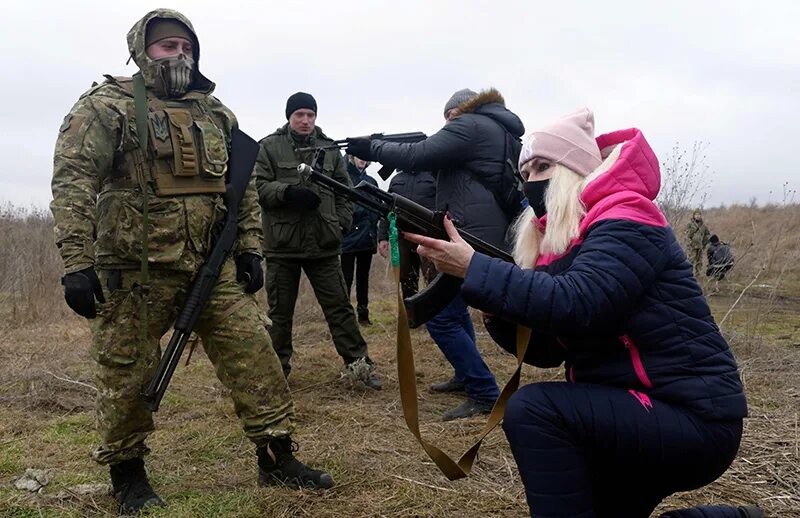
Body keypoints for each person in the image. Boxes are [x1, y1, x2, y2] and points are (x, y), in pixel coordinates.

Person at [403, 109, 761, 517]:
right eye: (526, 171)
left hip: (691, 416)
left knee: (533, 409)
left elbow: (579, 303)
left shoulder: (628, 217)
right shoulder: (562, 244)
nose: (531, 180)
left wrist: (478, 270)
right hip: (629, 411)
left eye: (543, 166)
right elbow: (548, 352)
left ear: (575, 170)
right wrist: (493, 308)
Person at [50, 10, 333, 514]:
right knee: (128, 374)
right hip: (135, 272)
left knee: (256, 356)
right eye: (167, 46)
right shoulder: (104, 107)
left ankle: (277, 457)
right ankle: (128, 474)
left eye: (186, 46)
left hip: (212, 267)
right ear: (143, 50)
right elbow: (73, 181)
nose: (179, 54)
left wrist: (249, 246)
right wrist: (77, 261)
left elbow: (241, 189)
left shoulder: (216, 113)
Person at [349, 88, 525, 420]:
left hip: (471, 234)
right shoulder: (495, 128)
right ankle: (466, 375)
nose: (446, 124)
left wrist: (371, 146)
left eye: (449, 117)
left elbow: (417, 155)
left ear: (462, 111)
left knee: (440, 318)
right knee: (453, 309)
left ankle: (484, 390)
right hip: (478, 230)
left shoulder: (472, 125)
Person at [254, 92, 381, 389]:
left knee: (339, 308)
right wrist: (286, 192)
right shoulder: (270, 147)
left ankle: (359, 366)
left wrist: (341, 224)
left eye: (310, 115)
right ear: (289, 116)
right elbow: (258, 186)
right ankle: (276, 372)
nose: (305, 120)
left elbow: (345, 193)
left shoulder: (330, 148)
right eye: (299, 114)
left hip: (323, 245)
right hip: (282, 246)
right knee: (279, 314)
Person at [376, 169, 438, 300]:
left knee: (432, 278)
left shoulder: (433, 176)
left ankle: (435, 319)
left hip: (428, 238)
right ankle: (411, 317)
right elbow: (387, 209)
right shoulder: (396, 180)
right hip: (402, 237)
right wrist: (383, 238)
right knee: (406, 279)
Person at [340, 155, 380, 325]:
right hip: (348, 238)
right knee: (346, 278)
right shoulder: (344, 179)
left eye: (365, 158)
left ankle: (363, 315)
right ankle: (345, 317)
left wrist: (373, 220)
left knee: (363, 278)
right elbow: (343, 207)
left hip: (367, 237)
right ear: (351, 158)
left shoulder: (371, 181)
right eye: (359, 157)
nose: (362, 160)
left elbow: (379, 205)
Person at [686, 208, 712, 277]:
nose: (697, 216)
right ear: (693, 215)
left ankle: (698, 274)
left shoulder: (703, 225)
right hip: (692, 246)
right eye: (696, 214)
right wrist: (689, 243)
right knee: (691, 260)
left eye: (699, 214)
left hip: (700, 246)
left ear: (701, 216)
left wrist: (705, 243)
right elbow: (686, 235)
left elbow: (708, 235)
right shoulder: (690, 224)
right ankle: (689, 274)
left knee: (699, 261)